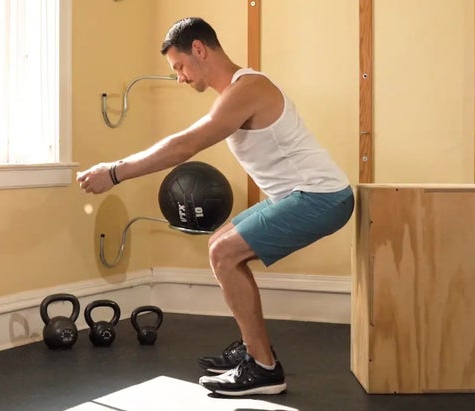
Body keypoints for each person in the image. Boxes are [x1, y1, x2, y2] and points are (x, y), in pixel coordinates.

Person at [76, 17, 354, 396]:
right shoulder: (234, 94)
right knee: (220, 246)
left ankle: (263, 369)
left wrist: (115, 172)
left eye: (179, 66)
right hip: (301, 196)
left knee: (224, 252)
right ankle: (255, 348)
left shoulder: (248, 88)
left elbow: (183, 146)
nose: (180, 77)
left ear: (200, 50)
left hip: (321, 197)